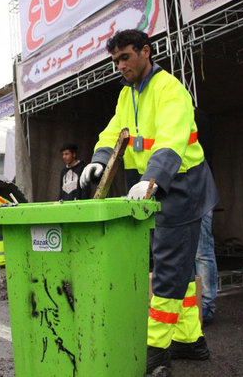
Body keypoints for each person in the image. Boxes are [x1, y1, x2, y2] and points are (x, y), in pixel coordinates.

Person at [79, 30, 219, 374]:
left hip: (180, 187)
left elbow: (171, 139)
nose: (120, 66)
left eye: (125, 57)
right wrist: (99, 157)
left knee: (169, 271)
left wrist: (151, 179)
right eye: (115, 61)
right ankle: (190, 340)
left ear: (146, 51)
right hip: (158, 189)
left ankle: (155, 353)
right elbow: (115, 131)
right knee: (181, 270)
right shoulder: (128, 96)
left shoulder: (170, 89)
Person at [194, 108, 218, 326]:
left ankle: (207, 306)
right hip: (183, 196)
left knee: (202, 252)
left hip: (199, 192)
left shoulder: (198, 117)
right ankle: (196, 304)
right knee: (191, 253)